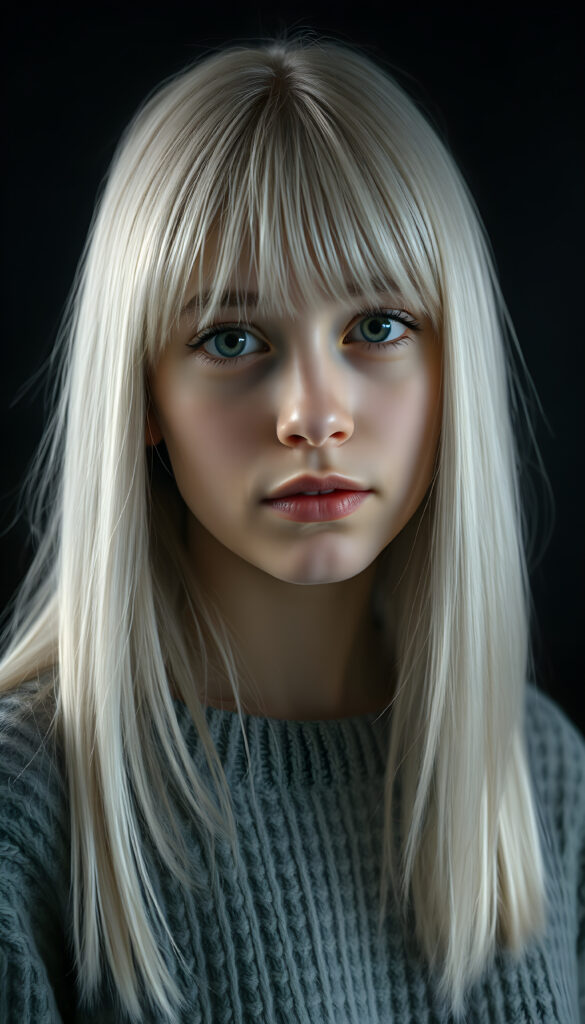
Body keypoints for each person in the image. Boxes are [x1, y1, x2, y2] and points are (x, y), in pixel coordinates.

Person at [0, 33, 583, 1024]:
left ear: (455, 370)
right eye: (234, 339)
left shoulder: (540, 770)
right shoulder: (27, 814)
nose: (313, 412)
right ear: (141, 391)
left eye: (378, 327)